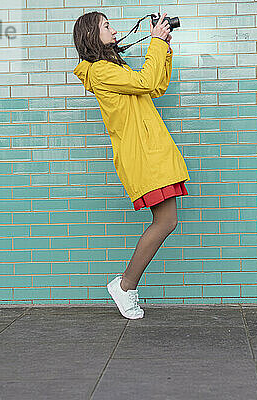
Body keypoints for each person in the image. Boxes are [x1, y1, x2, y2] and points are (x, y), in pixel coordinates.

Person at [73, 12, 190, 319]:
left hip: (151, 151)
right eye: (106, 26)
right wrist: (155, 42)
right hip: (142, 155)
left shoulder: (113, 67)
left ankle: (126, 286)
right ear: (91, 36)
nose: (113, 30)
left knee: (167, 221)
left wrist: (163, 48)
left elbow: (155, 87)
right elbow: (145, 80)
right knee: (166, 222)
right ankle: (125, 286)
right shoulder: (100, 71)